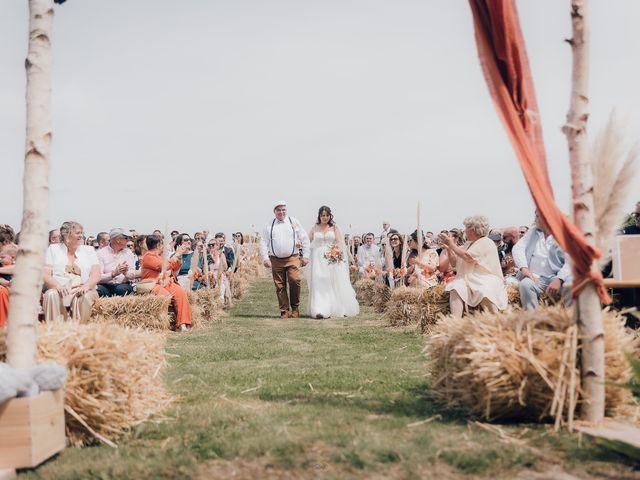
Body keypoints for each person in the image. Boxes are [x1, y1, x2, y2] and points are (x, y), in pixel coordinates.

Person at [440, 215, 508, 318]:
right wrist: (449, 248)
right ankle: (454, 322)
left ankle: (496, 320)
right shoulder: (468, 244)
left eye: (466, 228)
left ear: (472, 230)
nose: (464, 230)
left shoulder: (486, 242)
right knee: (455, 287)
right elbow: (454, 263)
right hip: (469, 278)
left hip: (486, 277)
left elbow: (468, 257)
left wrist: (452, 245)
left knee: (483, 292)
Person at [259, 200, 310, 319]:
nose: (281, 212)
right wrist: (265, 258)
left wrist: (306, 256)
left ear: (286, 210)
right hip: (275, 259)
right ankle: (284, 310)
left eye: (283, 210)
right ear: (274, 212)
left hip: (293, 257)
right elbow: (263, 242)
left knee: (295, 280)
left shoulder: (294, 222)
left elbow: (304, 238)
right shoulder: (269, 224)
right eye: (278, 210)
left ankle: (295, 308)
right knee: (280, 285)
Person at [307, 206, 359, 319]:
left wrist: (337, 253)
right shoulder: (314, 227)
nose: (324, 217)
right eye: (322, 215)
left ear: (330, 216)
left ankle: (335, 307)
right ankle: (319, 309)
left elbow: (340, 243)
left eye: (326, 215)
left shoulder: (334, 227)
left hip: (331, 258)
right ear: (319, 216)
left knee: (331, 281)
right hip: (317, 258)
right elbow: (307, 240)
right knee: (318, 280)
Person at [42, 221, 100, 323]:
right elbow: (45, 274)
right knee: (51, 294)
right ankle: (55, 330)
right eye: (78, 233)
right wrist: (58, 286)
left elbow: (96, 274)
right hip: (61, 288)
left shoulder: (89, 250)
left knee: (83, 297)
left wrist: (86, 286)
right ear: (67, 235)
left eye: (82, 232)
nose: (81, 235)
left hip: (85, 288)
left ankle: (79, 331)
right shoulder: (53, 249)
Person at [512, 211, 571, 311]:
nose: (535, 218)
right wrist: (525, 269)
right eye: (535, 215)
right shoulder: (533, 231)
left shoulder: (563, 234)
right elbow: (518, 249)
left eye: (538, 216)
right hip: (536, 277)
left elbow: (571, 259)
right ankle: (532, 319)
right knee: (525, 284)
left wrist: (559, 279)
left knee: (571, 284)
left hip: (556, 277)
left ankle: (570, 317)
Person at [139, 234, 192, 331]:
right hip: (152, 283)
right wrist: (176, 254)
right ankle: (163, 325)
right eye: (162, 244)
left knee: (180, 292)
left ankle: (183, 323)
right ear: (159, 245)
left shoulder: (159, 256)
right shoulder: (148, 256)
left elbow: (173, 268)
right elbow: (164, 266)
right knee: (166, 295)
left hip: (164, 282)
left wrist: (179, 257)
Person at [96, 228, 137, 297]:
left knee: (121, 289)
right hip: (105, 286)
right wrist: (113, 274)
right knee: (97, 290)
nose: (128, 240)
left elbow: (132, 275)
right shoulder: (101, 253)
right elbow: (98, 277)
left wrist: (126, 273)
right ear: (118, 240)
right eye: (126, 238)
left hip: (122, 285)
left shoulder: (128, 253)